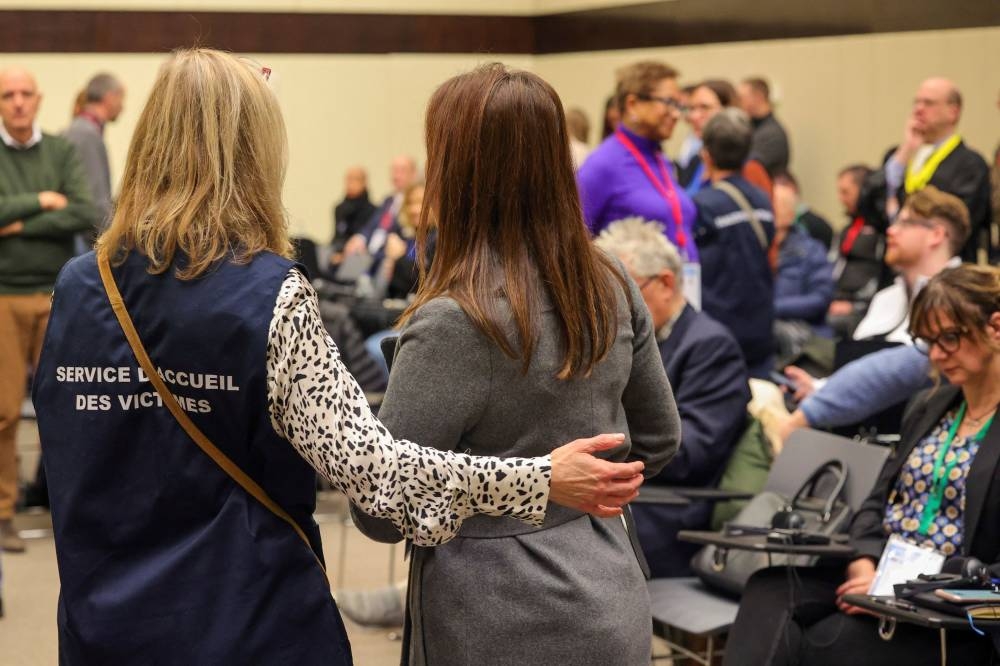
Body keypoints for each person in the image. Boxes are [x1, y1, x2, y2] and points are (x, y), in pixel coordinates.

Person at [29, 49, 650, 664]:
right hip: (242, 616)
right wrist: (539, 480)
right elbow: (379, 478)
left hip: (104, 616)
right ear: (252, 153)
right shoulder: (269, 295)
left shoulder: (80, 286)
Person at [351, 63, 681, 666]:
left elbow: (379, 511)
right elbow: (658, 439)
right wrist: (574, 488)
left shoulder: (456, 320)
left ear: (456, 170)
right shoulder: (612, 283)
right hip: (612, 595)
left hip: (492, 615)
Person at [724, 263, 1000, 666]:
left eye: (951, 338)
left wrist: (903, 587)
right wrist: (863, 563)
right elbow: (878, 501)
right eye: (928, 342)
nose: (938, 355)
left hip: (947, 601)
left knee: (824, 641)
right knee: (769, 589)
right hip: (880, 576)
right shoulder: (929, 406)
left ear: (995, 326)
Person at [596, 217, 749, 577]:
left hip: (673, 507)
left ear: (665, 283)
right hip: (635, 490)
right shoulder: (623, 342)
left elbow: (689, 453)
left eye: (623, 294)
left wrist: (598, 441)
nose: (611, 307)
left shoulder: (710, 346)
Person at [779, 186, 969, 439]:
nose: (891, 230)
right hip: (859, 438)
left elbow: (899, 371)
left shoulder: (964, 302)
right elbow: (864, 371)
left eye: (905, 223)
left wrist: (821, 401)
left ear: (936, 234)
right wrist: (818, 387)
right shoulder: (885, 299)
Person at [0, 67, 98, 553]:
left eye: (25, 94)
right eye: (7, 95)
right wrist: (40, 200)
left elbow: (83, 211)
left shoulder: (61, 150)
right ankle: (3, 514)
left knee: (67, 405)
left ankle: (70, 507)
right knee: (2, 413)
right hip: (4, 295)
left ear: (38, 100)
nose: (17, 102)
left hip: (58, 295)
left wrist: (16, 223)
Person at [577, 60, 697, 261]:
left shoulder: (660, 160)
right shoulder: (602, 165)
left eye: (679, 105)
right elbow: (570, 240)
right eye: (669, 103)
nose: (676, 114)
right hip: (632, 290)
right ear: (632, 105)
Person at [692, 108, 775, 378]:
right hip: (761, 332)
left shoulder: (702, 206)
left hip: (720, 335)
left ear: (706, 155)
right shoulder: (763, 201)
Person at [883, 77, 991, 262]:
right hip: (897, 270)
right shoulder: (902, 157)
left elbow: (955, 224)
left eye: (928, 103)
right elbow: (869, 204)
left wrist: (901, 215)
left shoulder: (970, 164)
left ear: (953, 112)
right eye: (916, 102)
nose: (918, 109)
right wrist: (905, 151)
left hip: (946, 273)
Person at [772, 176, 835, 362]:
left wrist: (773, 308)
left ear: (790, 215)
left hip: (803, 332)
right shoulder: (754, 247)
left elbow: (821, 299)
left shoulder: (811, 251)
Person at [679, 79, 772, 199]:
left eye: (705, 108)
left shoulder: (749, 167)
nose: (694, 116)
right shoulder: (696, 161)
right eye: (691, 108)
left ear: (728, 111)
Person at [828, 164, 889, 338]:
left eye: (845, 192)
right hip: (835, 301)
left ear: (863, 191)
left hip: (863, 309)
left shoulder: (882, 233)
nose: (840, 198)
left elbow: (883, 280)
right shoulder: (847, 230)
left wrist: (857, 306)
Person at [63, 72, 125, 241]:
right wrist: (117, 242)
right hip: (82, 241)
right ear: (110, 97)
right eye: (121, 98)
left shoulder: (78, 131)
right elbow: (97, 203)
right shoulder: (86, 135)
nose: (122, 106)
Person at [342, 154, 418, 259]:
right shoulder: (388, 200)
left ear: (413, 174)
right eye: (394, 170)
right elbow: (372, 224)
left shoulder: (414, 203)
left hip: (389, 256)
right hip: (369, 253)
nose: (396, 175)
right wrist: (360, 237)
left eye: (402, 170)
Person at [737, 76, 790, 177]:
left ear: (758, 97)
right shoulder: (752, 128)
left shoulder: (772, 135)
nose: (737, 103)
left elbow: (748, 169)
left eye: (741, 98)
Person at [330, 165, 375, 255]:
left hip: (358, 253)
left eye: (356, 179)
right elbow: (337, 236)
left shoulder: (373, 211)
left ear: (364, 183)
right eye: (349, 179)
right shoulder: (339, 208)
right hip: (338, 250)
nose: (351, 183)